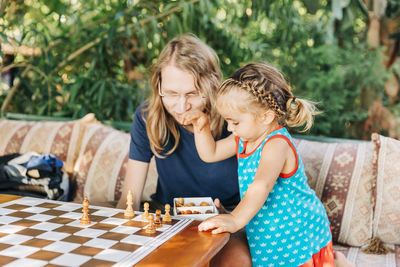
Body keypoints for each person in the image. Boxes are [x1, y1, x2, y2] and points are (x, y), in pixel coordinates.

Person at [117, 33, 251, 266]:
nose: (181, 107)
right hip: (167, 217)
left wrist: (229, 216)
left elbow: (261, 187)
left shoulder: (236, 119)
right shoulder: (147, 117)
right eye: (171, 93)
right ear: (158, 84)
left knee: (236, 262)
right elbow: (130, 197)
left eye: (191, 94)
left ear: (210, 85)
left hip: (226, 218)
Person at [182, 62, 335, 266]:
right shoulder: (243, 139)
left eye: (235, 122)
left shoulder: (276, 144)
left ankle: (338, 261)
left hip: (297, 231)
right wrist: (202, 127)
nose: (230, 128)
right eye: (227, 121)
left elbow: (261, 185)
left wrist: (235, 219)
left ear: (266, 116)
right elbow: (211, 153)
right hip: (269, 232)